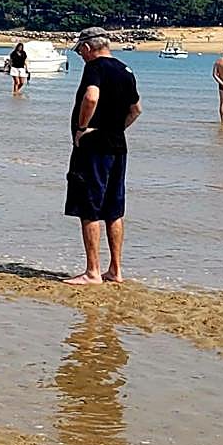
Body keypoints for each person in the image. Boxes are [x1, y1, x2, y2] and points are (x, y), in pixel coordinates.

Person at [63, 28, 142, 286]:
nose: (80, 55)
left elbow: (91, 97)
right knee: (114, 209)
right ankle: (115, 270)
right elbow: (136, 109)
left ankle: (93, 271)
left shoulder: (95, 67)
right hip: (118, 146)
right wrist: (115, 129)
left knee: (89, 207)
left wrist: (82, 128)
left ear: (88, 47)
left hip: (94, 147)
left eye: (80, 51)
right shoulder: (125, 70)